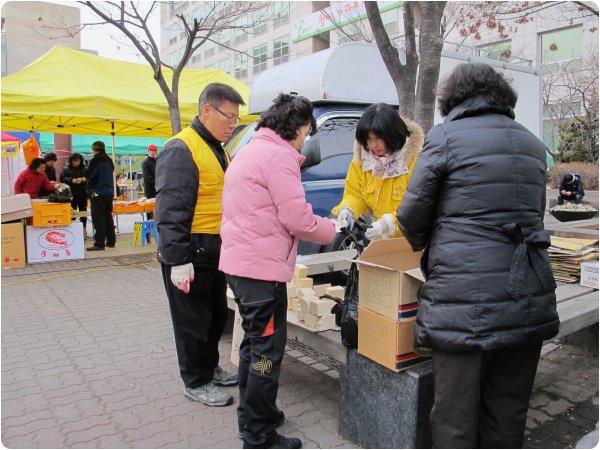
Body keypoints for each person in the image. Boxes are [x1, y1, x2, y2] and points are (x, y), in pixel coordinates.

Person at [397, 63, 559, 449]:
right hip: (527, 291)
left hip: (463, 299)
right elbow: (534, 215)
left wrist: (432, 244)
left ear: (451, 99)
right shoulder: (534, 144)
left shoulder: (446, 137)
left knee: (455, 414)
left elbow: (411, 216)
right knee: (508, 409)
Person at [220, 94, 336, 450]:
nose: (305, 140)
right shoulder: (279, 157)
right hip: (261, 273)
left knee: (253, 345)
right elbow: (297, 218)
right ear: (299, 127)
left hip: (242, 267)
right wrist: (333, 229)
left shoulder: (250, 150)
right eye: (305, 132)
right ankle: (259, 436)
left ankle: (256, 415)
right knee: (266, 353)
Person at [155, 83, 243, 408]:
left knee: (216, 315)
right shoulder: (181, 148)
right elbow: (171, 209)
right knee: (192, 321)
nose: (233, 124)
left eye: (236, 118)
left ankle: (209, 368)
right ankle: (195, 381)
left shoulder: (218, 147)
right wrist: (177, 259)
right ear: (207, 111)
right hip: (190, 250)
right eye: (229, 117)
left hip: (215, 248)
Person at [332, 103, 424, 240]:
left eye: (378, 138)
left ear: (392, 134)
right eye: (368, 139)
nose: (373, 145)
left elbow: (418, 208)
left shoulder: (415, 161)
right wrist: (348, 209)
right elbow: (355, 194)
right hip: (380, 241)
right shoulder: (361, 161)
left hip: (411, 242)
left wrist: (387, 224)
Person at [85, 141, 116, 251]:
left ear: (94, 149)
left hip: (98, 192)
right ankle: (111, 241)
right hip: (109, 192)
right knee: (108, 216)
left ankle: (99, 243)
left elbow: (89, 174)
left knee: (98, 218)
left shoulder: (96, 160)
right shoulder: (109, 160)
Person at [61, 153, 88, 233]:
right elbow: (62, 179)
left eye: (78, 161)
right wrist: (71, 180)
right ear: (71, 161)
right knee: (72, 212)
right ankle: (73, 230)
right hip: (71, 194)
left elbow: (90, 177)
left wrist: (84, 179)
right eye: (74, 161)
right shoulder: (66, 169)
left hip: (83, 193)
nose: (76, 163)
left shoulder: (85, 169)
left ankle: (83, 230)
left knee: (83, 212)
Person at [141, 144, 158, 219]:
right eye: (150, 150)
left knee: (157, 206)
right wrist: (158, 182)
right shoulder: (145, 162)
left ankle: (157, 222)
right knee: (149, 206)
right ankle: (149, 223)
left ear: (156, 151)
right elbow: (147, 177)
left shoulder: (157, 160)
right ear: (148, 151)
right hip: (150, 188)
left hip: (157, 187)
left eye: (153, 150)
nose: (152, 152)